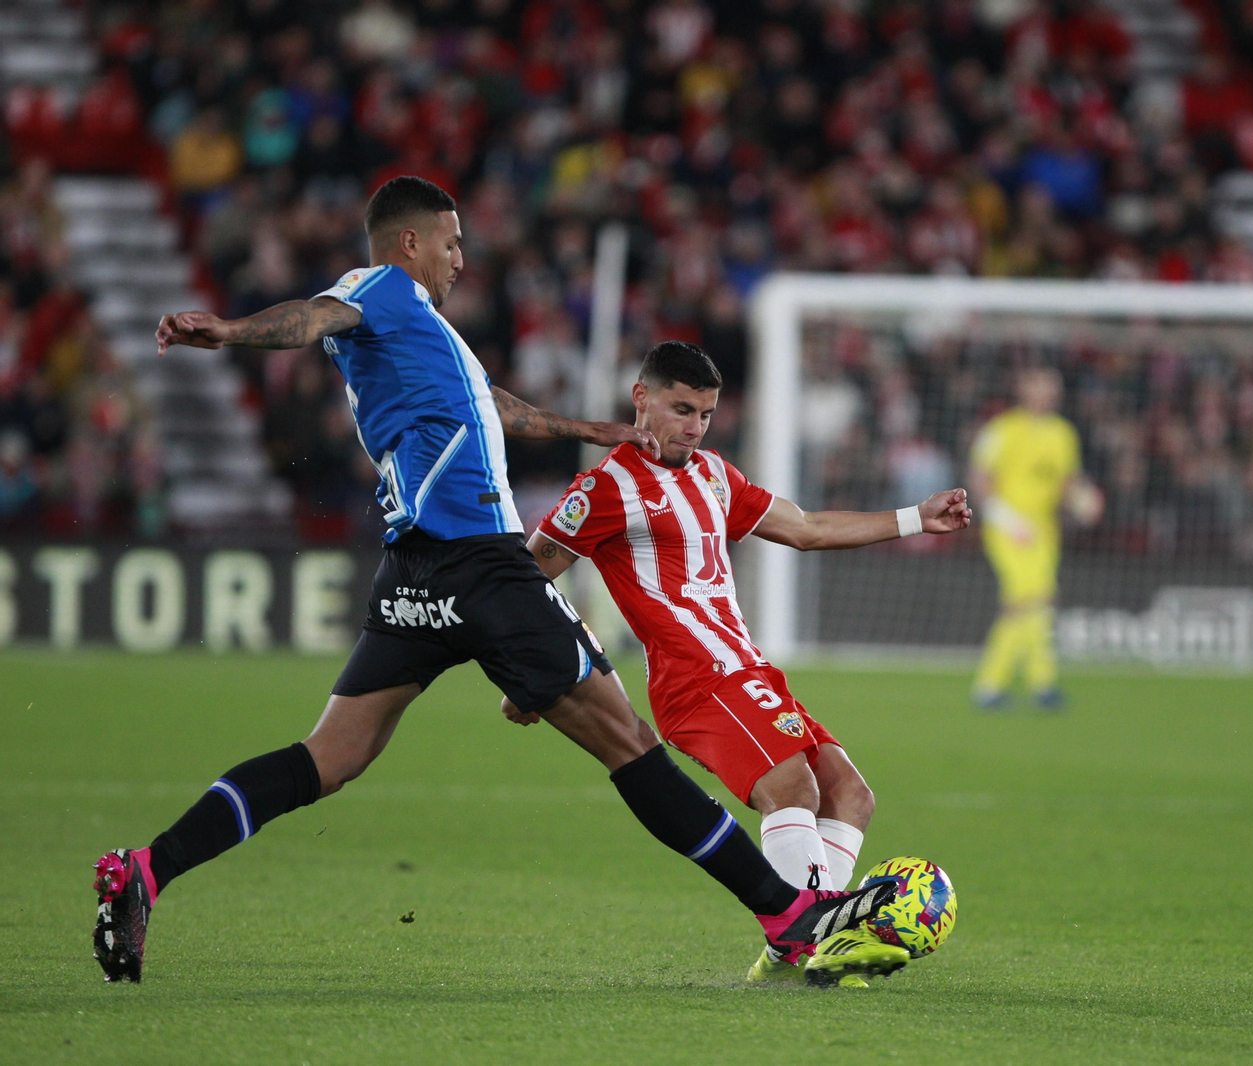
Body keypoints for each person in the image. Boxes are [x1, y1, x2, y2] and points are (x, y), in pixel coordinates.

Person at [93, 176, 899, 984]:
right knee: (630, 745)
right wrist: (230, 331)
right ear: (410, 242)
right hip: (482, 563)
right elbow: (314, 315)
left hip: (413, 572)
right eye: (451, 243)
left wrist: (591, 430)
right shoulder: (378, 291)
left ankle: (148, 869)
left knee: (329, 756)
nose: (461, 259)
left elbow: (490, 405)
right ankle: (788, 913)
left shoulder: (420, 333)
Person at [514, 340, 972, 985]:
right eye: (681, 410)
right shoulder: (606, 487)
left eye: (705, 413)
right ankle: (814, 939)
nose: (694, 427)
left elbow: (806, 528)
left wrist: (914, 518)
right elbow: (524, 580)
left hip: (747, 669)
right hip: (695, 679)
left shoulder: (713, 474)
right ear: (641, 399)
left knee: (850, 795)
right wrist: (530, 669)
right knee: (793, 788)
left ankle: (792, 958)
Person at [967, 367, 1101, 710]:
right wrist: (1008, 520)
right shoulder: (1002, 429)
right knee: (1026, 598)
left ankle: (1034, 684)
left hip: (1044, 529)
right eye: (1040, 386)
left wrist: (1083, 500)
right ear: (1024, 390)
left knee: (1038, 600)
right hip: (1008, 528)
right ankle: (1002, 684)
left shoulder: (1063, 433)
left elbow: (1067, 481)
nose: (1047, 393)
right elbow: (979, 479)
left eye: (1052, 387)